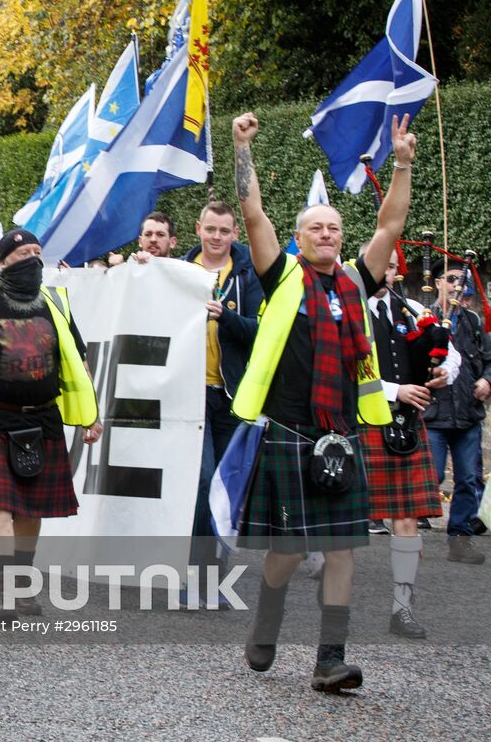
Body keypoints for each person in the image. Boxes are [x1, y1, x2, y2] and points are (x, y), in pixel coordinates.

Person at [231, 112, 414, 692]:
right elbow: (252, 214)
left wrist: (403, 161)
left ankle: (329, 659)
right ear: (301, 236)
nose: (328, 234)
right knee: (287, 550)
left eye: (335, 227)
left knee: (342, 549)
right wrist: (242, 149)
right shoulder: (280, 274)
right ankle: (267, 615)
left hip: (343, 432)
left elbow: (391, 224)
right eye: (317, 228)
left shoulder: (357, 281)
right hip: (290, 428)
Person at [0, 228, 101, 617]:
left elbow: (78, 362)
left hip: (43, 417)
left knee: (30, 510)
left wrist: (90, 414)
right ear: (3, 262)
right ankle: (8, 589)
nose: (32, 260)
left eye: (37, 252)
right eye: (23, 253)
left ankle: (21, 584)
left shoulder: (55, 302)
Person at [362, 248, 459, 636]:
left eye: (390, 266)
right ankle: (331, 600)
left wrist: (443, 374)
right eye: (377, 265)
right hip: (363, 422)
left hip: (404, 426)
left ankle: (402, 607)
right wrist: (395, 390)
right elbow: (346, 372)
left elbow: (452, 356)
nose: (385, 272)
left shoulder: (413, 309)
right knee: (341, 518)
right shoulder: (349, 310)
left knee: (405, 520)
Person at [181, 200, 261, 606]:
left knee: (227, 488)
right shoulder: (178, 270)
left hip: (232, 396)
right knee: (201, 482)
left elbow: (263, 331)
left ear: (235, 234)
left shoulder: (249, 274)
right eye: (210, 229)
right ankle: (195, 579)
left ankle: (215, 582)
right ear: (198, 228)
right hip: (187, 394)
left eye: (224, 231)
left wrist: (226, 317)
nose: (216, 237)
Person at [423, 258, 491, 565]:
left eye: (460, 281)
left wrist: (486, 380)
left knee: (466, 479)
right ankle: (410, 536)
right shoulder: (423, 319)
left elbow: (489, 359)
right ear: (437, 283)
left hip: (467, 414)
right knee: (431, 475)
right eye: (450, 279)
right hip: (433, 415)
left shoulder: (474, 321)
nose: (456, 285)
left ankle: (459, 540)